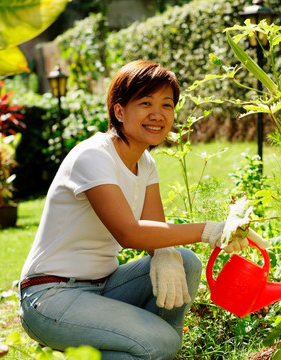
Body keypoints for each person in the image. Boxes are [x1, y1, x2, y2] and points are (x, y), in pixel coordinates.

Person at [19, 60, 265, 360]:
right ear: (119, 111)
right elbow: (129, 233)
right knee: (160, 342)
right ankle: (152, 348)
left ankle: (146, 349)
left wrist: (165, 252)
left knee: (182, 260)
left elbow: (154, 232)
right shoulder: (93, 156)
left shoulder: (145, 163)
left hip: (103, 287)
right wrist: (210, 230)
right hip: (51, 296)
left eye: (167, 104)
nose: (158, 114)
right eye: (145, 103)